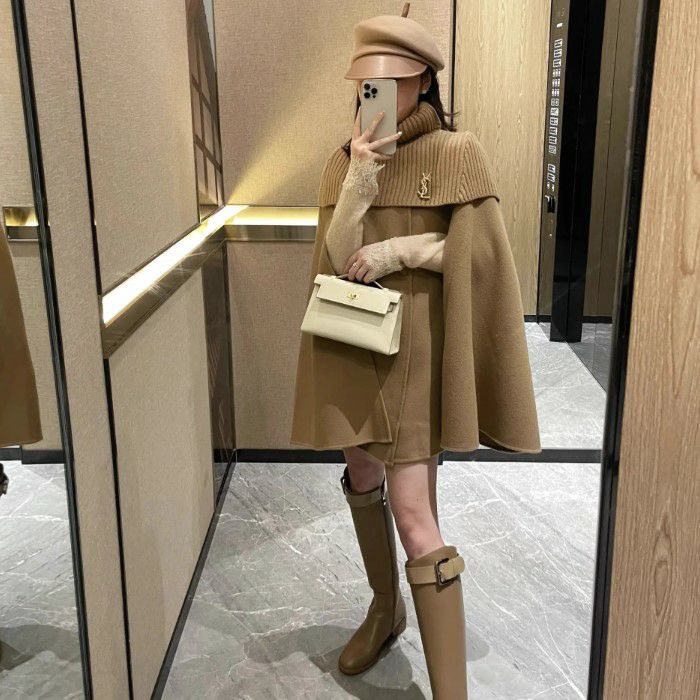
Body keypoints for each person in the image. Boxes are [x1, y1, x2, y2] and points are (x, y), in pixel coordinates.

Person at [290, 6, 541, 698]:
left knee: (412, 508)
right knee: (361, 472)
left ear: (425, 80)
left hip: (419, 349)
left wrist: (400, 250)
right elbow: (336, 259)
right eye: (368, 82)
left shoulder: (458, 154)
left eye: (394, 80)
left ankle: (450, 689)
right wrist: (360, 179)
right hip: (355, 338)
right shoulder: (344, 160)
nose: (377, 93)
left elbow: (480, 257)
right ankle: (384, 608)